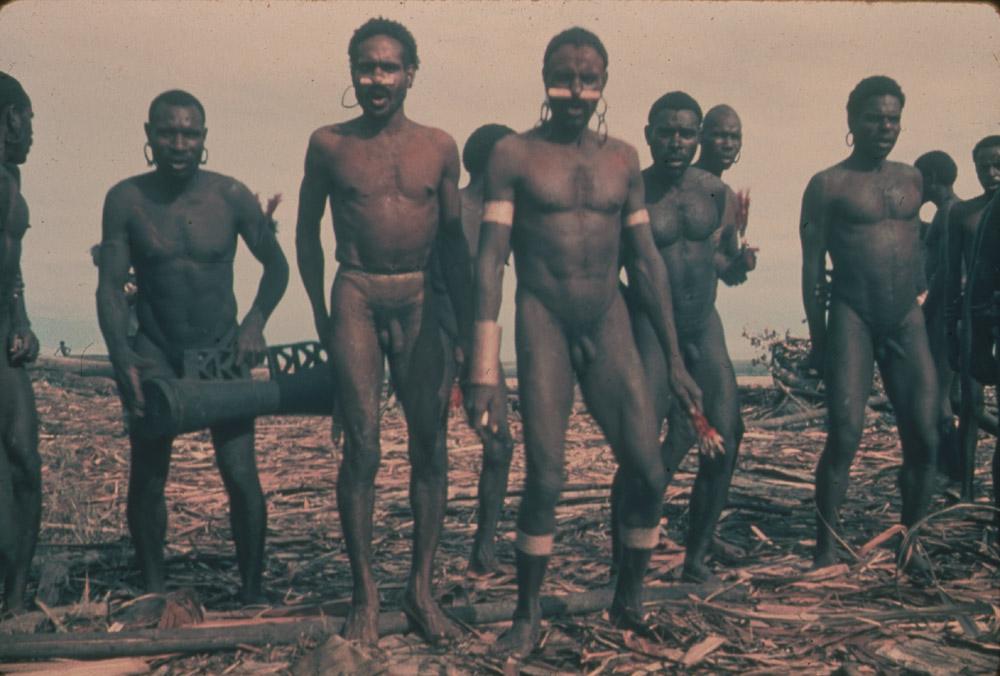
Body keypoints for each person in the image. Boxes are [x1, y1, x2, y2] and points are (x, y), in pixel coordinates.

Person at [466, 28, 701, 657]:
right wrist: (484, 368)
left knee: (648, 470)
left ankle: (629, 600)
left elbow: (647, 262)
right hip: (542, 319)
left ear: (604, 84)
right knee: (546, 474)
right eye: (565, 77)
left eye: (589, 79)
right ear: (544, 76)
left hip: (608, 318)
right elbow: (490, 263)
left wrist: (675, 361)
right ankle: (526, 615)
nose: (576, 91)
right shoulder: (513, 156)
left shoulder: (622, 159)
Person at [295, 18, 472, 645]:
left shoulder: (439, 146)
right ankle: (365, 591)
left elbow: (452, 242)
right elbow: (306, 233)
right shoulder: (328, 144)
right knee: (364, 445)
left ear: (411, 73)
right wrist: (321, 312)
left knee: (430, 443)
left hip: (421, 294)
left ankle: (420, 588)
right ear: (351, 71)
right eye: (366, 67)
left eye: (389, 67)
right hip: (359, 292)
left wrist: (462, 327)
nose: (377, 79)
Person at [97, 89, 289, 604]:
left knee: (239, 471)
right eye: (168, 132)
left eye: (190, 133)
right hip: (155, 350)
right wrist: (122, 356)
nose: (179, 143)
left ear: (204, 139)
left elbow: (277, 266)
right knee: (149, 471)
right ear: (149, 135)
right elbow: (110, 288)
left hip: (222, 350)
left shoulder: (230, 196)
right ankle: (155, 590)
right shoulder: (126, 199)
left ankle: (251, 593)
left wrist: (254, 323)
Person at [613, 91, 754, 583]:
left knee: (727, 438)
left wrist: (738, 264)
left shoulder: (717, 192)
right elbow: (609, 272)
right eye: (666, 132)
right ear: (649, 132)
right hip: (653, 329)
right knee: (641, 450)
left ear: (699, 138)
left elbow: (719, 262)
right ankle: (621, 566)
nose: (676, 142)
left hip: (703, 326)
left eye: (687, 133)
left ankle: (695, 559)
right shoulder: (632, 192)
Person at [800, 76, 937, 575]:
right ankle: (826, 547)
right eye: (875, 118)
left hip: (905, 318)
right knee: (845, 433)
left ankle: (910, 540)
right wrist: (819, 339)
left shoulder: (913, 179)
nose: (885, 127)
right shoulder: (827, 184)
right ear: (852, 121)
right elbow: (812, 267)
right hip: (852, 316)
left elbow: (946, 228)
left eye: (893, 118)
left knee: (925, 435)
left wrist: (931, 294)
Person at [446, 123, 516, 575]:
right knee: (431, 450)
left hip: (479, 347)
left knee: (500, 445)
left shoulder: (504, 217)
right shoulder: (455, 210)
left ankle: (484, 549)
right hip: (444, 342)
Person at [0, 71, 41, 613]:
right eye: (30, 119)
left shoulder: (11, 177)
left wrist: (23, 321)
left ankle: (15, 599)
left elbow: (12, 268)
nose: (32, 132)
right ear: (11, 117)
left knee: (24, 460)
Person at [946, 136, 1000, 497]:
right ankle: (965, 490)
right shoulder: (963, 213)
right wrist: (953, 327)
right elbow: (952, 274)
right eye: (983, 166)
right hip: (975, 317)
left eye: (998, 164)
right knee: (968, 404)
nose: (991, 173)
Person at [913, 151, 961, 480]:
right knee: (950, 396)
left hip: (943, 315)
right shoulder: (949, 213)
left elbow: (947, 273)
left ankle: (951, 469)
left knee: (940, 396)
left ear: (930, 179)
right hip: (947, 314)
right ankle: (954, 468)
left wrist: (926, 312)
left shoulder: (948, 214)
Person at [694, 104, 742, 179]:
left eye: (734, 137)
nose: (729, 145)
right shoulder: (680, 184)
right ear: (700, 136)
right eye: (720, 136)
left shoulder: (721, 188)